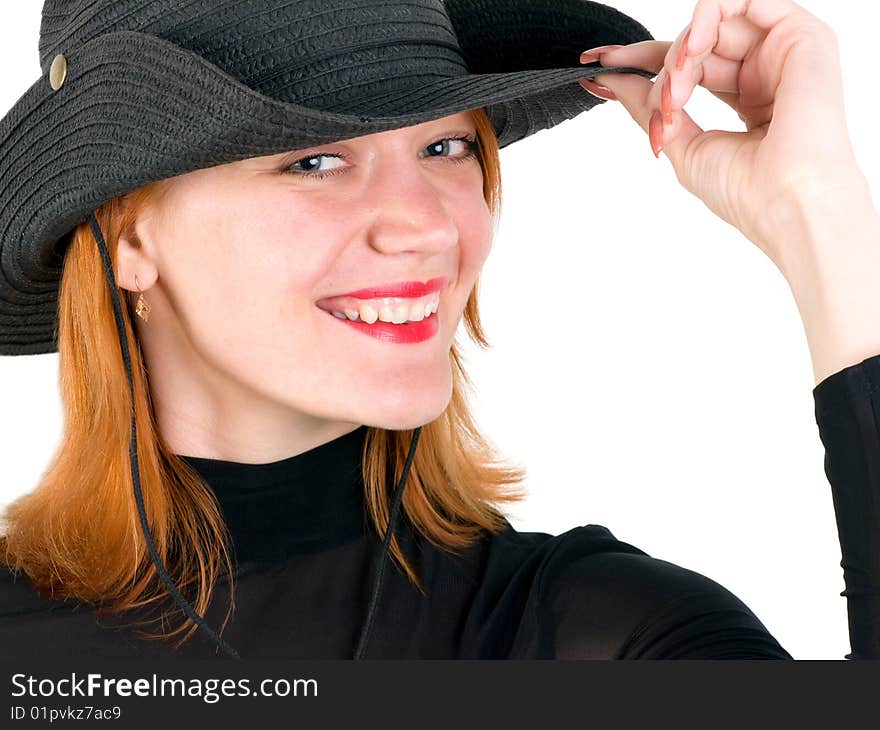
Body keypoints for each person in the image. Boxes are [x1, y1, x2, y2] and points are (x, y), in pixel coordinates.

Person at [0, 0, 877, 660]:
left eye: (446, 148)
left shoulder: (599, 636)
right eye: (313, 160)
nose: (424, 226)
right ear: (130, 239)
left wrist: (823, 220)